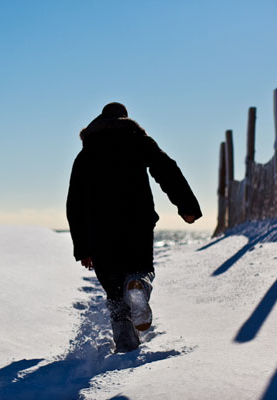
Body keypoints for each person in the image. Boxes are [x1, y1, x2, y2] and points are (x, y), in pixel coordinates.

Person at [66, 102, 202, 353]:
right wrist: (187, 206)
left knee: (114, 292)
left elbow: (74, 202)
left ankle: (126, 345)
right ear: (125, 118)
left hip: (100, 229)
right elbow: (166, 169)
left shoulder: (86, 153)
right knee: (140, 269)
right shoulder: (138, 140)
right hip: (137, 221)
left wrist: (82, 247)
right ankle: (138, 285)